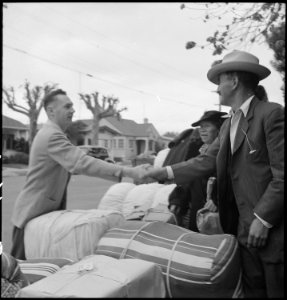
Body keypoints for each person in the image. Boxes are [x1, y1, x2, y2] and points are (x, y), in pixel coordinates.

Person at [144, 50, 284, 298]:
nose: (217, 89)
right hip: (241, 231)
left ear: (234, 81)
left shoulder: (271, 114)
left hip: (270, 233)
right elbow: (206, 160)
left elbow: (282, 176)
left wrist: (263, 220)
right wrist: (162, 171)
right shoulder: (229, 123)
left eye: (219, 81)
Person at [10, 89, 150, 260]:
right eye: (67, 106)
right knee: (16, 273)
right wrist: (129, 171)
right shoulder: (52, 135)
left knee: (36, 272)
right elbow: (82, 163)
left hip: (43, 219)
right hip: (31, 216)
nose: (73, 110)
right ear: (51, 111)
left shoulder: (54, 134)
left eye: (72, 106)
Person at [169, 110, 227, 231]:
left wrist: (218, 200)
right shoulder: (198, 153)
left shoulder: (227, 154)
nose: (202, 130)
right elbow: (188, 179)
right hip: (198, 216)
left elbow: (231, 181)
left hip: (220, 217)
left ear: (219, 129)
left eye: (207, 126)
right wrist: (177, 200)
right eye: (201, 127)